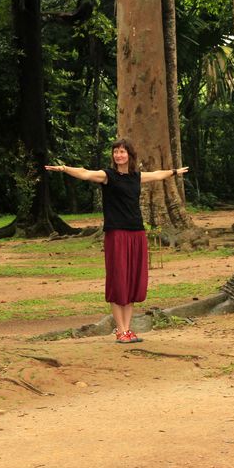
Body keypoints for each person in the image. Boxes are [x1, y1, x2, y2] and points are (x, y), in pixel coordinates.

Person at [46, 138, 188, 344]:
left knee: (131, 282)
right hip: (116, 234)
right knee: (118, 280)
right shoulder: (108, 176)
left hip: (136, 233)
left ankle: (127, 329)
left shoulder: (136, 177)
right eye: (116, 152)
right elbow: (85, 173)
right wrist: (64, 168)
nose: (118, 155)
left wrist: (174, 171)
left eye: (122, 152)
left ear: (129, 155)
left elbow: (157, 175)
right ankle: (120, 331)